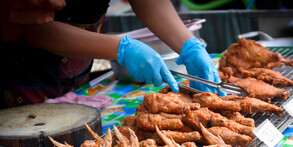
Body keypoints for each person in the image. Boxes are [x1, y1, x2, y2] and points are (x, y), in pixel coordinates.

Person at [0, 0, 224, 109]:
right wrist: (120, 49)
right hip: (22, 69)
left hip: (76, 65)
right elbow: (38, 31)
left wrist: (189, 44)